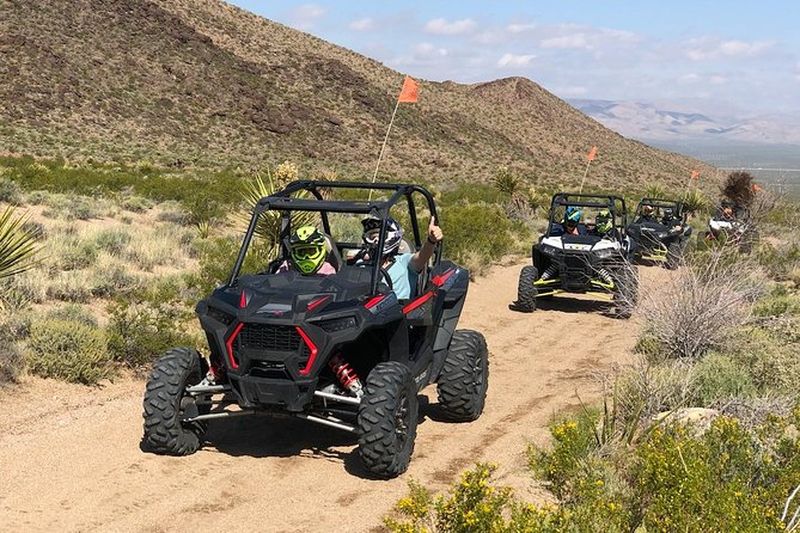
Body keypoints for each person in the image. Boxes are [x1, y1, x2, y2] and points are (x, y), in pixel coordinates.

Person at [361, 216, 443, 300]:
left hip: (398, 311)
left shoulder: (403, 262)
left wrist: (431, 241)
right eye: (372, 237)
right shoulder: (362, 265)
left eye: (381, 236)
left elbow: (422, 257)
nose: (376, 241)